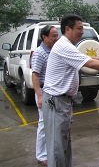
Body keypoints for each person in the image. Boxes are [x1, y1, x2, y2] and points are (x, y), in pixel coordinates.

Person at [42, 14, 99, 167]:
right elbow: (89, 62)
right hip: (56, 102)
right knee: (57, 148)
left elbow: (83, 57)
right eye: (79, 28)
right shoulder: (64, 45)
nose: (82, 32)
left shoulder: (67, 46)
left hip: (62, 102)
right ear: (67, 29)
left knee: (63, 144)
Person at [32, 25, 59, 166]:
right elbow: (35, 75)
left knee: (51, 124)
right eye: (53, 36)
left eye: (57, 35)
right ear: (44, 37)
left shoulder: (52, 51)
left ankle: (48, 152)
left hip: (51, 92)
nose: (56, 38)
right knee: (43, 124)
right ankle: (41, 155)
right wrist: (39, 96)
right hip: (43, 91)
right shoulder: (39, 53)